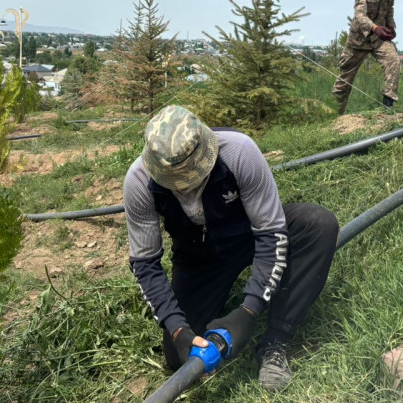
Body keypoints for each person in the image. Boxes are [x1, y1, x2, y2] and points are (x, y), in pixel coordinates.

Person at [124, 105, 339, 391]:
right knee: (178, 359)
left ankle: (275, 341)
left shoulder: (239, 152)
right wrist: (177, 328)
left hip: (250, 233)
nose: (185, 189)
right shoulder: (139, 182)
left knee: (318, 224)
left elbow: (272, 233)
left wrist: (248, 312)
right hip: (198, 255)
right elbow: (145, 264)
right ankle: (211, 315)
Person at [332, 0, 403, 114]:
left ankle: (388, 107)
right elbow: (359, 15)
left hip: (379, 39)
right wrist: (375, 28)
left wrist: (391, 26)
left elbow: (389, 8)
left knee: (394, 62)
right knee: (345, 79)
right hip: (359, 39)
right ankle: (333, 115)